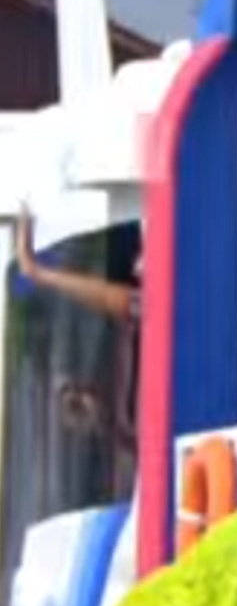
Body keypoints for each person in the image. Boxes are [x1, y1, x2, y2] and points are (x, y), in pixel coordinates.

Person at [11, 207, 141, 499]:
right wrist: (37, 272)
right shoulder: (128, 423)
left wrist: (38, 273)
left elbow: (132, 306)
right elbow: (134, 306)